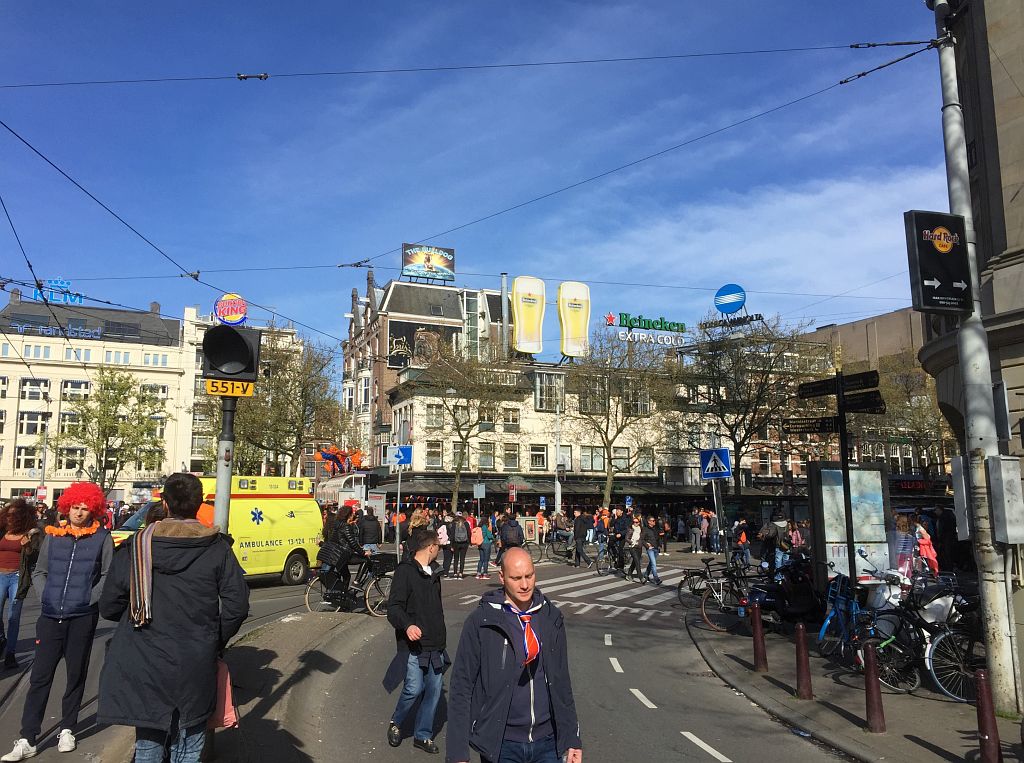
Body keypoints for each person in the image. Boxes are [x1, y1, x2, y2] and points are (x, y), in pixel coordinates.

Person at [97, 473, 249, 763]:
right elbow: (237, 605)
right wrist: (214, 638)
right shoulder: (216, 547)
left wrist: (138, 617)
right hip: (194, 656)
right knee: (190, 743)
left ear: (164, 503)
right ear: (199, 504)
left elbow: (108, 606)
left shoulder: (136, 547)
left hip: (144, 655)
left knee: (148, 744)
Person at [2, 483, 113, 761]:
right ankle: (28, 737)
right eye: (75, 507)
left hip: (82, 617)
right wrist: (46, 595)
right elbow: (40, 571)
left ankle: (67, 728)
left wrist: (90, 599)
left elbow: (108, 574)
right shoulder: (54, 536)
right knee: (40, 677)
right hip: (50, 616)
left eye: (84, 508)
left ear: (94, 510)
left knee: (75, 675)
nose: (78, 512)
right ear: (67, 507)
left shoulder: (102, 538)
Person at [447, 547, 582, 763]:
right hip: (501, 743)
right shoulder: (481, 621)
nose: (525, 585)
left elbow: (561, 681)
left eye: (529, 576)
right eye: (516, 578)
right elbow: (462, 686)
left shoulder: (551, 617)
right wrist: (457, 751)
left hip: (548, 740)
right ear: (502, 577)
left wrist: (572, 737)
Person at [384, 530, 447, 755]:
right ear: (430, 547)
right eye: (438, 546)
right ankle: (396, 722)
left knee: (434, 691)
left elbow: (435, 609)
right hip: (413, 644)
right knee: (413, 688)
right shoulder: (406, 572)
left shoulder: (435, 572)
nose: (439, 550)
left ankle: (423, 735)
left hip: (435, 642)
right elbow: (393, 608)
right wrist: (408, 625)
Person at [0, 499, 42, 669]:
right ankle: (2, 638)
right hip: (0, 576)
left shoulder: (31, 533)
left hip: (17, 577)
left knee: (13, 617)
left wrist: (28, 547)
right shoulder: (2, 531)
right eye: (8, 515)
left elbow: (36, 558)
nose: (10, 518)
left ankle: (10, 653)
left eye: (14, 515)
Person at [640, 515, 663, 585]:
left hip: (656, 548)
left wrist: (660, 545)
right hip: (650, 549)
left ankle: (646, 575)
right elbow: (641, 539)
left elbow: (658, 537)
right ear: (649, 522)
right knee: (654, 563)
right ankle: (656, 578)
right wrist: (647, 545)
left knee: (651, 563)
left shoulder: (656, 528)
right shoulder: (645, 529)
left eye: (654, 520)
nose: (654, 522)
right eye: (653, 521)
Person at [450, 513, 471, 579]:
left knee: (456, 559)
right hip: (464, 543)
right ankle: (461, 573)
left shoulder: (454, 524)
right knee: (462, 559)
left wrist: (451, 544)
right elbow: (469, 533)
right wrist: (469, 542)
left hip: (456, 543)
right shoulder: (466, 523)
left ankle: (455, 573)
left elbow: (452, 535)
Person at [624, 514, 644, 583]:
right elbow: (626, 538)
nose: (635, 523)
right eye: (634, 522)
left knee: (635, 562)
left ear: (639, 523)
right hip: (632, 547)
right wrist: (632, 542)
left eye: (637, 522)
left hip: (639, 547)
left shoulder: (641, 529)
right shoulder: (630, 529)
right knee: (637, 561)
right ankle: (641, 577)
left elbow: (642, 538)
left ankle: (629, 574)